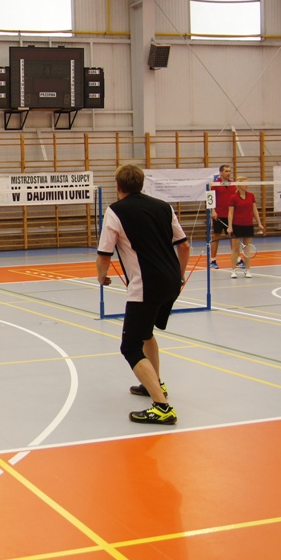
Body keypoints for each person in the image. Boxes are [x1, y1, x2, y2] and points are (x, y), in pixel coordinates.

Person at [96, 164, 190, 425]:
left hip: (146, 286)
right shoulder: (163, 207)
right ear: (141, 183)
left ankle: (162, 407)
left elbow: (104, 254)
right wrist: (180, 275)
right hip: (171, 281)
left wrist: (101, 276)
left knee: (130, 346)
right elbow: (184, 246)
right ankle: (154, 383)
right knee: (146, 333)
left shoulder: (115, 211)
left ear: (118, 186)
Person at [225, 176, 264, 279]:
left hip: (248, 225)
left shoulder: (251, 195)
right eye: (245, 183)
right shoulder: (233, 197)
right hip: (237, 225)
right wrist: (230, 226)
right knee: (235, 249)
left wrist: (259, 223)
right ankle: (233, 270)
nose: (247, 185)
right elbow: (230, 213)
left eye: (248, 183)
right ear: (239, 185)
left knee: (247, 248)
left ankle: (247, 269)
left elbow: (254, 210)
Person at [209, 164, 235, 269]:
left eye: (229, 171)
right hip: (218, 215)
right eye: (226, 171)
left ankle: (237, 259)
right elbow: (210, 198)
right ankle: (212, 260)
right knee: (216, 237)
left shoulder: (233, 184)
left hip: (230, 215)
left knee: (233, 237)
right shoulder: (215, 184)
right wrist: (213, 211)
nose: (228, 173)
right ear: (221, 172)